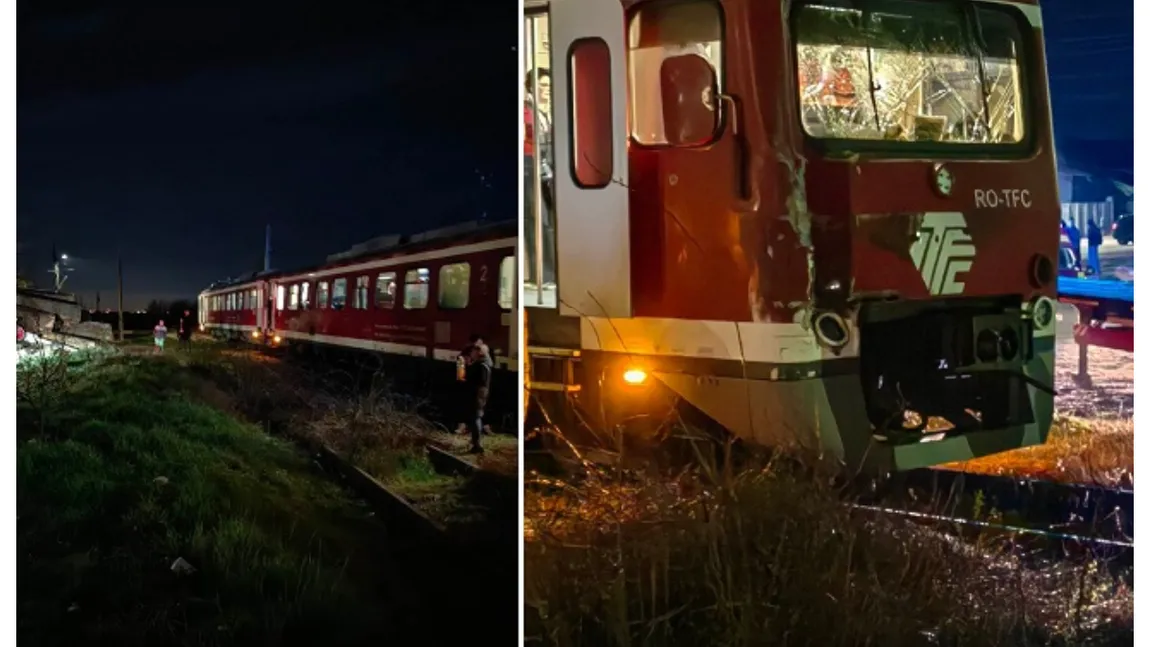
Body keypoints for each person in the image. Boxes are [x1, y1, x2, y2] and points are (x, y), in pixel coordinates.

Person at [464, 341, 494, 454]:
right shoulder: (485, 363)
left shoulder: (480, 366)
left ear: (478, 352)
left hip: (478, 394)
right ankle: (475, 442)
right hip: (481, 393)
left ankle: (477, 445)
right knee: (476, 416)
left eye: (473, 351)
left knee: (476, 417)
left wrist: (468, 367)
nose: (471, 353)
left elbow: (474, 379)